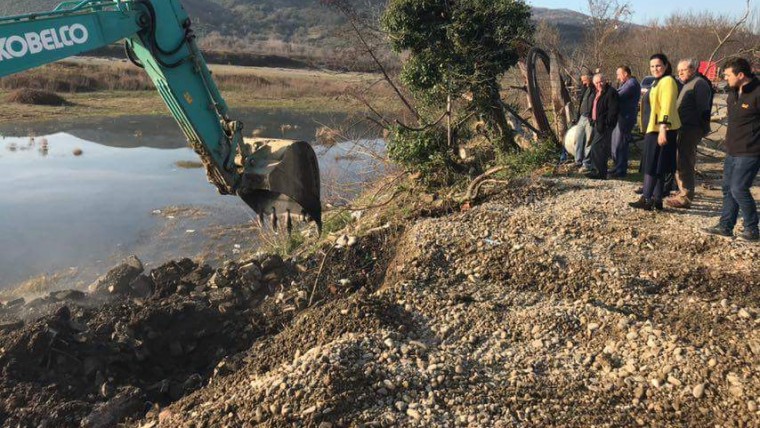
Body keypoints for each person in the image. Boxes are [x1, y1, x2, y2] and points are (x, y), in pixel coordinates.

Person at [703, 57, 760, 241]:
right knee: (727, 188)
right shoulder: (732, 93)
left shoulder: (757, 93)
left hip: (750, 151)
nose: (725, 78)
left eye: (728, 75)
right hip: (732, 149)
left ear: (741, 75)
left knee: (738, 188)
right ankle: (725, 225)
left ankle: (752, 228)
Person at [629, 54, 681, 210]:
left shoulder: (668, 82)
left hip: (661, 129)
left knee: (651, 165)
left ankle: (646, 198)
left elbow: (667, 106)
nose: (655, 69)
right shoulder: (658, 82)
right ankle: (657, 200)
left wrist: (663, 130)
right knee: (658, 166)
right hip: (655, 129)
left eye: (658, 65)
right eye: (652, 66)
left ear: (666, 65)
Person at [666, 59, 713, 209]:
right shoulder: (688, 83)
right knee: (679, 161)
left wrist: (703, 128)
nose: (680, 73)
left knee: (685, 162)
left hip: (691, 129)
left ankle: (686, 197)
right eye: (678, 71)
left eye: (683, 70)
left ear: (692, 69)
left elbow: (704, 110)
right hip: (683, 128)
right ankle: (682, 193)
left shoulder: (699, 84)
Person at [585, 73, 619, 179]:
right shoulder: (596, 92)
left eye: (601, 81)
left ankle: (599, 172)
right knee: (599, 148)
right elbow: (594, 106)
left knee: (597, 147)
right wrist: (591, 118)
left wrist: (607, 123)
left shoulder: (611, 92)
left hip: (604, 125)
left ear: (605, 81)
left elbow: (613, 110)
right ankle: (598, 170)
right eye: (597, 82)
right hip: (596, 124)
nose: (599, 84)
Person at [611, 66, 641, 177]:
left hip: (626, 117)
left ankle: (621, 170)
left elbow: (617, 96)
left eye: (619, 74)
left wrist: (607, 92)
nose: (618, 77)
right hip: (622, 116)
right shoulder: (627, 83)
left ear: (625, 73)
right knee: (616, 143)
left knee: (621, 143)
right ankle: (617, 166)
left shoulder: (631, 84)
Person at [574, 72, 595, 168]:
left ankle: (586, 162)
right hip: (582, 117)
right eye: (582, 81)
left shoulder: (596, 89)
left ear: (590, 79)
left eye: (585, 80)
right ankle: (578, 160)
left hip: (590, 118)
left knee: (589, 141)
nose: (583, 83)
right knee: (578, 138)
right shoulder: (585, 88)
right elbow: (581, 102)